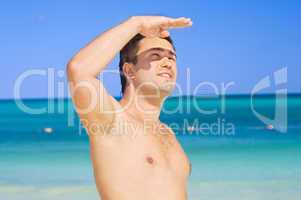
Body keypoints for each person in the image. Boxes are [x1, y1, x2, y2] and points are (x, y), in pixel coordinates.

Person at [67, 16, 193, 200]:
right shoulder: (112, 120)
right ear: (129, 70)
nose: (167, 62)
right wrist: (136, 24)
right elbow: (79, 71)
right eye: (155, 56)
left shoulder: (168, 134)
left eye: (171, 57)